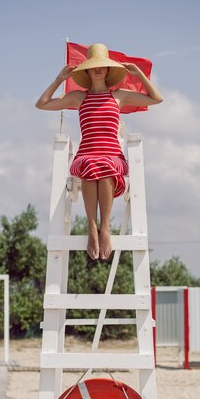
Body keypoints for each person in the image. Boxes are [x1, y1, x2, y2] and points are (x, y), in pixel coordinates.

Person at [35, 43, 163, 260]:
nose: (97, 69)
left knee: (103, 165)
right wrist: (59, 79)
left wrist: (138, 73)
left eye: (102, 66)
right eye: (93, 66)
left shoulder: (119, 95)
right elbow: (42, 104)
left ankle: (105, 228)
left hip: (112, 154)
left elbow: (156, 98)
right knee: (89, 164)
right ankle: (92, 228)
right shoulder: (78, 97)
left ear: (107, 71)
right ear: (86, 70)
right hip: (87, 152)